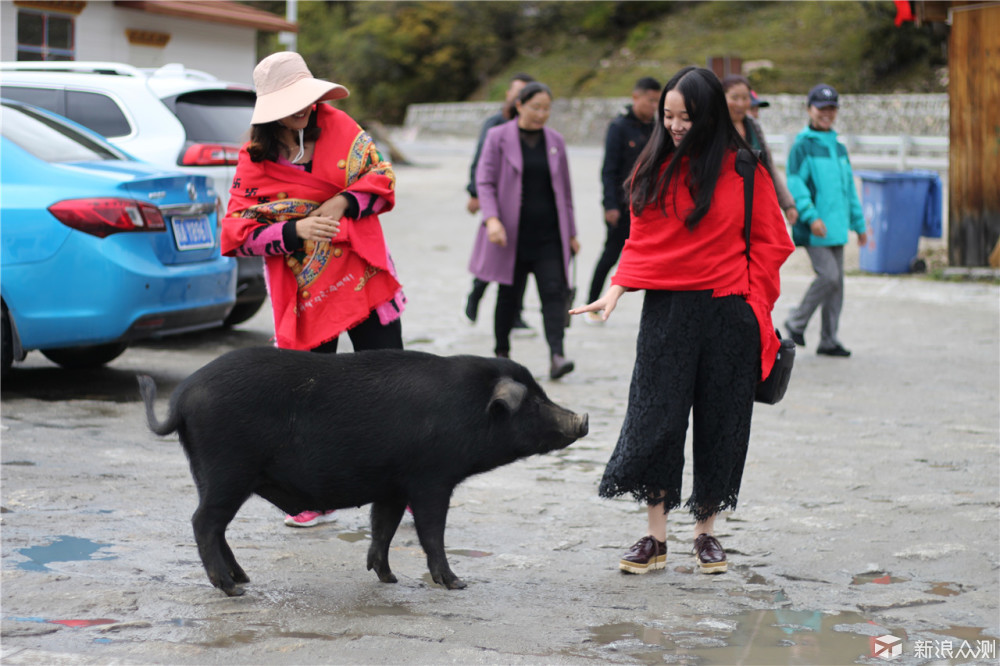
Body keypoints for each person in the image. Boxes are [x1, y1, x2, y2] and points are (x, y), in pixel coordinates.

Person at [570, 67, 793, 574]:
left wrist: (751, 303)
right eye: (667, 116)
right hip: (667, 313)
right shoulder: (653, 167)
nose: (672, 126)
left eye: (684, 117)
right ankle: (655, 535)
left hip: (727, 312)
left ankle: (706, 532)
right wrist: (616, 291)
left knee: (721, 422)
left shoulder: (743, 168)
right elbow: (643, 241)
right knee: (656, 421)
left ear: (709, 115)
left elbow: (769, 241)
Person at [221, 51, 406, 528]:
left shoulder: (340, 126)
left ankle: (403, 486)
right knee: (312, 398)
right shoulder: (254, 160)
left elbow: (381, 178)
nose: (304, 109)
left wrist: (343, 200)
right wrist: (294, 233)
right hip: (304, 296)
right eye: (291, 102)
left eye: (307, 98)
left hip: (364, 279)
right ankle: (316, 495)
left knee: (388, 388)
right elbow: (236, 233)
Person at [470, 82, 580, 379]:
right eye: (535, 108)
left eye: (546, 109)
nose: (541, 114)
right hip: (511, 235)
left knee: (554, 294)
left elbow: (566, 192)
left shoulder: (555, 140)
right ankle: (501, 354)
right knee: (509, 295)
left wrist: (571, 233)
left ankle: (557, 355)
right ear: (519, 105)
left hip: (549, 235)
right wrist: (491, 219)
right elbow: (485, 182)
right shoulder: (497, 137)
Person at [783, 83, 867, 357]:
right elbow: (796, 185)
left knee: (837, 286)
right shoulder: (802, 146)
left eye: (831, 108)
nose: (826, 113)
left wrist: (860, 225)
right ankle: (796, 321)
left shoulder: (839, 147)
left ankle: (829, 340)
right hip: (814, 228)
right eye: (821, 108)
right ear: (810, 109)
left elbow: (848, 191)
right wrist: (811, 217)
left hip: (837, 228)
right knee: (829, 277)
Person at [585, 76, 662, 324]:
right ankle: (592, 303)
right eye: (650, 100)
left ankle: (657, 307)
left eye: (657, 102)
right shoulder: (619, 127)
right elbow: (608, 170)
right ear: (635, 97)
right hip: (621, 207)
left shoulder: (658, 128)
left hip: (651, 208)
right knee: (611, 255)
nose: (653, 106)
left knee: (656, 258)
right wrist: (609, 205)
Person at [464, 73, 535, 329]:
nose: (519, 98)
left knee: (521, 260)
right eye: (516, 92)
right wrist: (474, 192)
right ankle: (476, 295)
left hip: (524, 203)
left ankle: (515, 313)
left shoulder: (532, 129)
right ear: (509, 95)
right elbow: (480, 160)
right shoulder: (494, 124)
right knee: (493, 255)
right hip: (496, 200)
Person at [722, 75, 798, 225]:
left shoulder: (753, 126)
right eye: (734, 97)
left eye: (745, 98)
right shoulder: (716, 130)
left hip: (757, 206)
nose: (740, 103)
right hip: (727, 211)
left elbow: (768, 166)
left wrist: (787, 204)